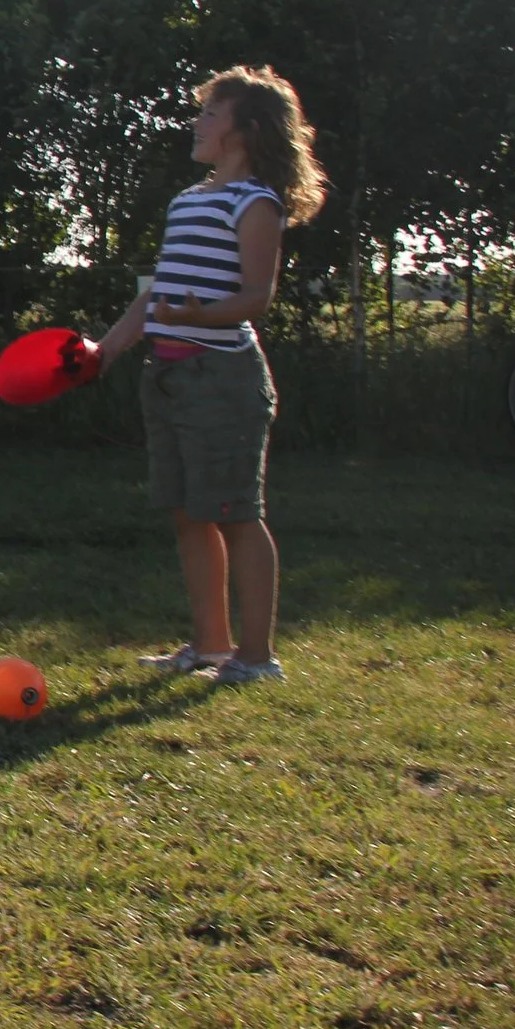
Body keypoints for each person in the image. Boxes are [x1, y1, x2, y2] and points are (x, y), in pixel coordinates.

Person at [93, 66, 327, 685]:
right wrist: (107, 349)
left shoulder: (257, 203)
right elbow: (154, 298)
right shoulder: (190, 200)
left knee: (235, 514)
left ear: (244, 130)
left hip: (220, 379)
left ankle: (257, 658)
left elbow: (256, 297)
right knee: (189, 514)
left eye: (209, 114)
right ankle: (210, 646)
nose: (197, 124)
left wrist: (199, 314)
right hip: (167, 377)